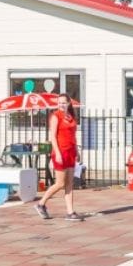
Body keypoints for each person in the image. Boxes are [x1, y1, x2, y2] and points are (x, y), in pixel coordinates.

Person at [35, 93, 83, 221]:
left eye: (64, 102)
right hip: (60, 152)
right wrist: (57, 153)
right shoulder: (55, 116)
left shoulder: (71, 117)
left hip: (71, 152)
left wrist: (77, 151)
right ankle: (41, 203)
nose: (61, 104)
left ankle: (70, 212)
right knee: (60, 183)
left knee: (69, 184)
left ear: (68, 103)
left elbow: (73, 135)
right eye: (59, 102)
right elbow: (53, 137)